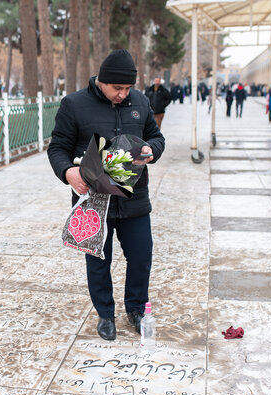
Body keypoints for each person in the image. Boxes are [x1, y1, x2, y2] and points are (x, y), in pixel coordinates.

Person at [47, 49, 165, 341]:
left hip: (134, 197)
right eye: (117, 88)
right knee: (98, 259)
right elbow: (57, 147)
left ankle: (136, 309)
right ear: (101, 80)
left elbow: (156, 136)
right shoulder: (73, 104)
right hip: (93, 201)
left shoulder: (140, 101)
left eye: (128, 88)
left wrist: (153, 150)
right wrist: (68, 173)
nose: (124, 94)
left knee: (141, 256)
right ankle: (105, 314)